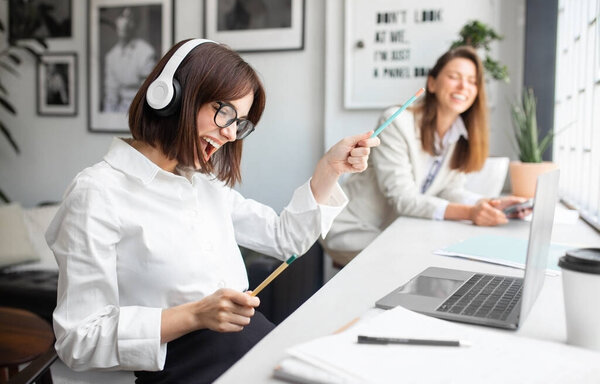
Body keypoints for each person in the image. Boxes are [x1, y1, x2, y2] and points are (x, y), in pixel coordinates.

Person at [45, 39, 380, 383]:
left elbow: (285, 239)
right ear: (171, 97)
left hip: (249, 348)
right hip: (188, 369)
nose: (231, 133)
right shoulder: (97, 192)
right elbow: (78, 340)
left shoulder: (204, 183)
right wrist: (195, 315)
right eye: (225, 113)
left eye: (241, 123)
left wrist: (329, 169)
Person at [322, 46, 528, 267]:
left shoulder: (459, 135)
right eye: (454, 77)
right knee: (419, 262)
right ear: (432, 83)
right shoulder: (396, 122)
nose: (463, 86)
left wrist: (490, 204)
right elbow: (404, 199)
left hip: (393, 231)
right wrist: (471, 212)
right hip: (353, 229)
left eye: (472, 81)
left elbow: (450, 191)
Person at [103, 7, 156, 113]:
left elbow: (149, 96)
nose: (125, 23)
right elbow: (111, 95)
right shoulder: (111, 56)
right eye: (122, 17)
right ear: (117, 21)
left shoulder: (146, 53)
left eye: (130, 19)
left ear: (135, 25)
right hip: (119, 114)